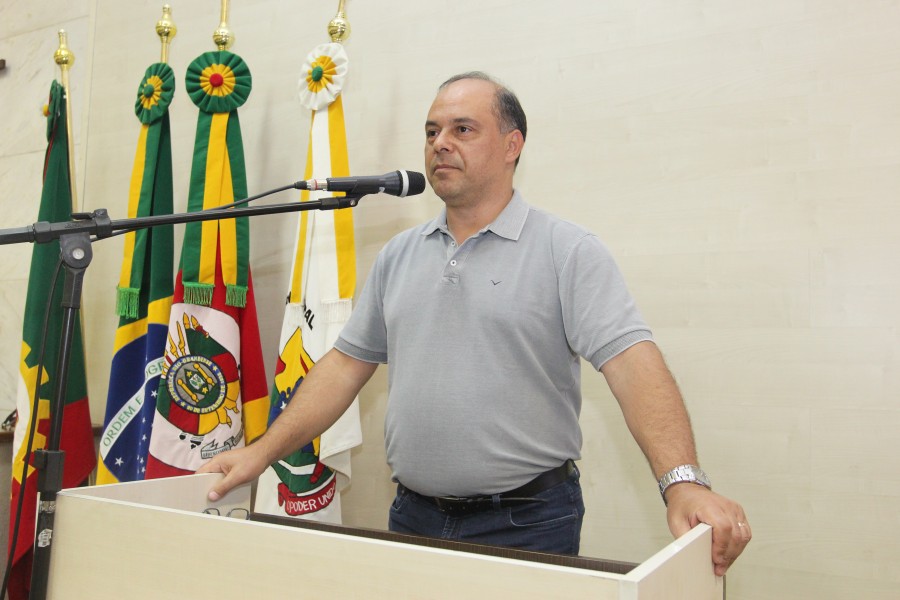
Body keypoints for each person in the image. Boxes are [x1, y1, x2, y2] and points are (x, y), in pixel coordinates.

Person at [200, 71, 751, 574]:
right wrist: (260, 452)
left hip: (528, 522)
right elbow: (344, 367)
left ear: (512, 146)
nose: (440, 143)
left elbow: (632, 365)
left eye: (462, 129)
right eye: (432, 131)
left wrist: (683, 483)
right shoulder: (398, 255)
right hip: (412, 515)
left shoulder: (567, 250)